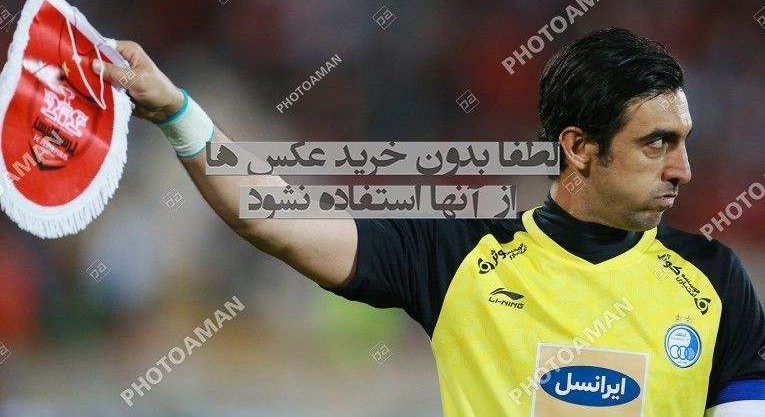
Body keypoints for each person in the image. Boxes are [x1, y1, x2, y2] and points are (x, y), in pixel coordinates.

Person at [92, 28, 765, 416]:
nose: (682, 169)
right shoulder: (457, 253)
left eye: (682, 142)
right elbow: (277, 220)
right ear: (580, 148)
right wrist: (178, 114)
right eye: (656, 143)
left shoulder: (715, 279)